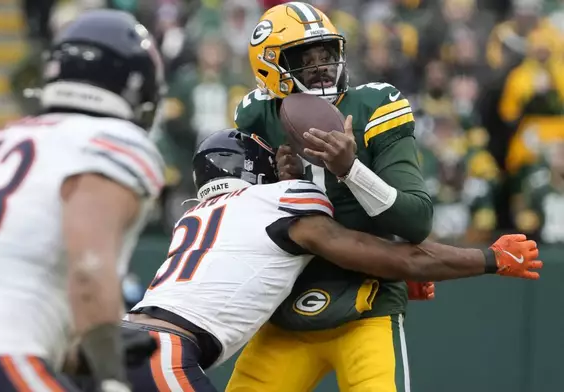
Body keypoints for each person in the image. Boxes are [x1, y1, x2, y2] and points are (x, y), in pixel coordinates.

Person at [119, 128, 541, 391]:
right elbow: (392, 256)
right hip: (164, 353)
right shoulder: (280, 201)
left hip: (116, 339)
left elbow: (257, 270)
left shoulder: (192, 216)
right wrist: (487, 258)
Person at [0, 9, 165, 392]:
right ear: (135, 84)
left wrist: (78, 351)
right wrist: (112, 376)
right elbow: (88, 267)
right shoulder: (111, 138)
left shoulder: (9, 138)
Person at [230, 2, 434, 391]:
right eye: (304, 60)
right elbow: (239, 221)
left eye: (326, 54)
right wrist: (275, 185)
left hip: (367, 301)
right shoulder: (258, 115)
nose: (322, 66)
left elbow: (417, 220)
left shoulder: (374, 105)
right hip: (287, 307)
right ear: (270, 68)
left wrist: (351, 171)